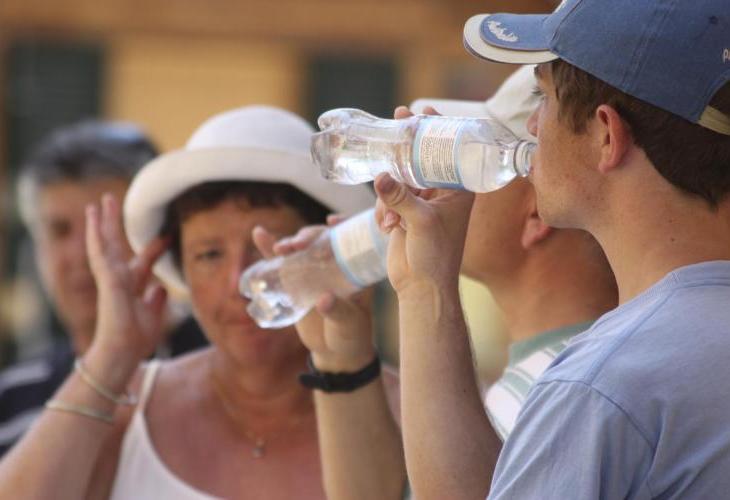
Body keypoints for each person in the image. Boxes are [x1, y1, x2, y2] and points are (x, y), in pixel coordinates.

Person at [376, 0, 730, 498]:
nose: (534, 127)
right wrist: (425, 284)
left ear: (606, 135)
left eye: (543, 97)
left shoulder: (606, 383)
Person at [0, 105, 393, 499]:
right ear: (180, 269)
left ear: (328, 250)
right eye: (209, 255)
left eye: (268, 249)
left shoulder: (402, 408)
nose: (239, 282)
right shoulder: (129, 408)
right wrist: (111, 354)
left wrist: (346, 362)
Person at [264, 64, 617, 500]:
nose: (432, 183)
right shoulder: (546, 371)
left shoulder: (568, 391)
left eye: (459, 163)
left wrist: (424, 287)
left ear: (537, 212)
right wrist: (343, 360)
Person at [0, 121, 207, 456]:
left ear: (160, 236)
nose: (85, 253)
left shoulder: (230, 369)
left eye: (109, 226)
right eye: (59, 229)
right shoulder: (13, 396)